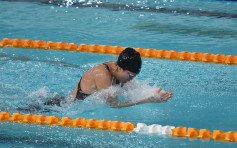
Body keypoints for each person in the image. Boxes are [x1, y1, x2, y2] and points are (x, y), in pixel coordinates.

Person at [71, 47, 173, 108]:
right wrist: (148, 100)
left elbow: (137, 89)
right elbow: (113, 105)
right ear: (120, 68)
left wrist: (155, 93)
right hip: (66, 106)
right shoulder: (102, 74)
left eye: (134, 76)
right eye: (131, 75)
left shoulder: (122, 72)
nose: (132, 79)